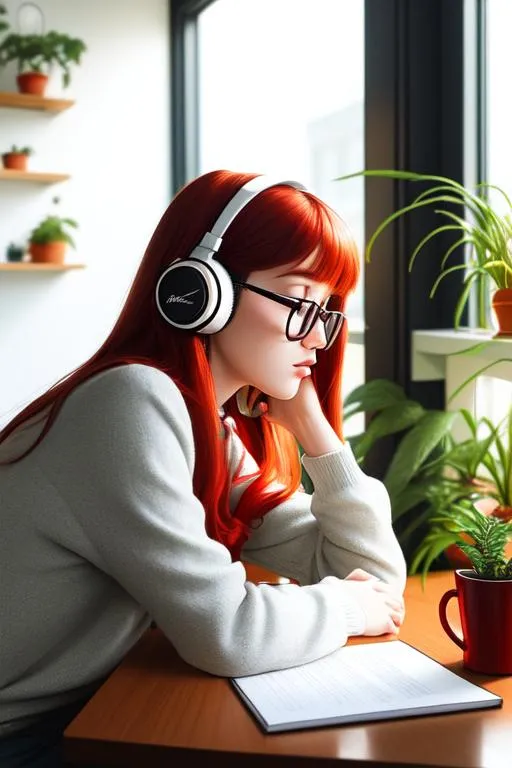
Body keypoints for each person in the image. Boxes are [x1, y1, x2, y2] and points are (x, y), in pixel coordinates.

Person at [0, 170, 407, 767]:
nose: (316, 338)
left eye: (326, 312)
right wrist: (346, 608)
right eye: (299, 302)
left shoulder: (204, 426)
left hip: (80, 710)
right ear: (200, 288)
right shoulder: (131, 403)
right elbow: (229, 632)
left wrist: (319, 438)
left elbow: (373, 581)